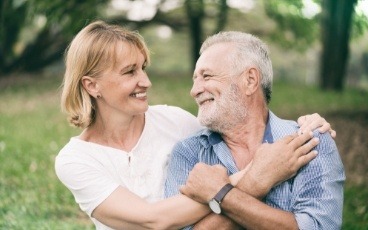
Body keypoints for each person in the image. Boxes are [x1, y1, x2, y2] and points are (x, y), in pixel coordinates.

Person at [55, 20, 336, 230]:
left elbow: (236, 127)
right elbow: (154, 221)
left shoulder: (174, 122)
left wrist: (308, 126)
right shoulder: (76, 160)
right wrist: (256, 177)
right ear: (92, 85)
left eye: (143, 68)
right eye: (130, 72)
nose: (146, 81)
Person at [165, 31, 345, 229]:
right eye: (195, 79)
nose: (194, 90)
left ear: (250, 80)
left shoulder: (311, 141)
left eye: (206, 76)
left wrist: (221, 194)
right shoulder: (188, 153)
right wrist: (255, 181)